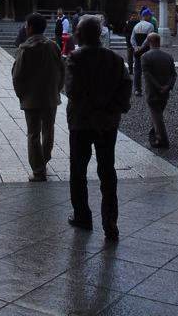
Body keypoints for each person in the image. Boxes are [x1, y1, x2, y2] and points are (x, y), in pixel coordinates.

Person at [65, 15, 132, 241]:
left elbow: (73, 92)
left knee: (78, 170)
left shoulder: (76, 58)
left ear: (80, 34)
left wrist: (91, 108)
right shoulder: (115, 58)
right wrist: (112, 108)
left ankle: (82, 214)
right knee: (107, 171)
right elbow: (125, 86)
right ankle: (110, 220)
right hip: (108, 123)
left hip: (82, 123)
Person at [12, 12, 65, 182]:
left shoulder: (25, 49)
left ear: (31, 28)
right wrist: (57, 89)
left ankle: (38, 169)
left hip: (31, 97)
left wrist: (22, 94)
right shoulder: (53, 46)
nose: (25, 28)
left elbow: (17, 75)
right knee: (48, 130)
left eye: (27, 25)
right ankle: (44, 159)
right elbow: (62, 70)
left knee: (33, 133)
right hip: (50, 95)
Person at [141, 33, 176, 148]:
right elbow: (174, 74)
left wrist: (159, 87)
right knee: (157, 114)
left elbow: (148, 75)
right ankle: (154, 137)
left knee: (157, 116)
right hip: (165, 92)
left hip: (152, 92)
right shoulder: (168, 56)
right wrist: (168, 86)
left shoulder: (145, 56)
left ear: (149, 42)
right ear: (159, 42)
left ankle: (163, 140)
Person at [130, 9, 154, 96]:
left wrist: (136, 47)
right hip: (146, 50)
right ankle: (149, 89)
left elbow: (132, 39)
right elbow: (148, 39)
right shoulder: (150, 25)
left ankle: (137, 89)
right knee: (148, 70)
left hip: (137, 51)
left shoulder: (136, 25)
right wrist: (142, 47)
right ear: (146, 16)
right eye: (150, 15)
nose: (151, 17)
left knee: (137, 70)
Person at [124, 10, 139, 75]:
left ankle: (131, 70)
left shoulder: (129, 22)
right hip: (135, 43)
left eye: (134, 16)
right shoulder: (138, 23)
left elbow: (124, 31)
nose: (134, 17)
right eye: (133, 16)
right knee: (136, 57)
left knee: (131, 57)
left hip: (131, 43)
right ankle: (134, 70)